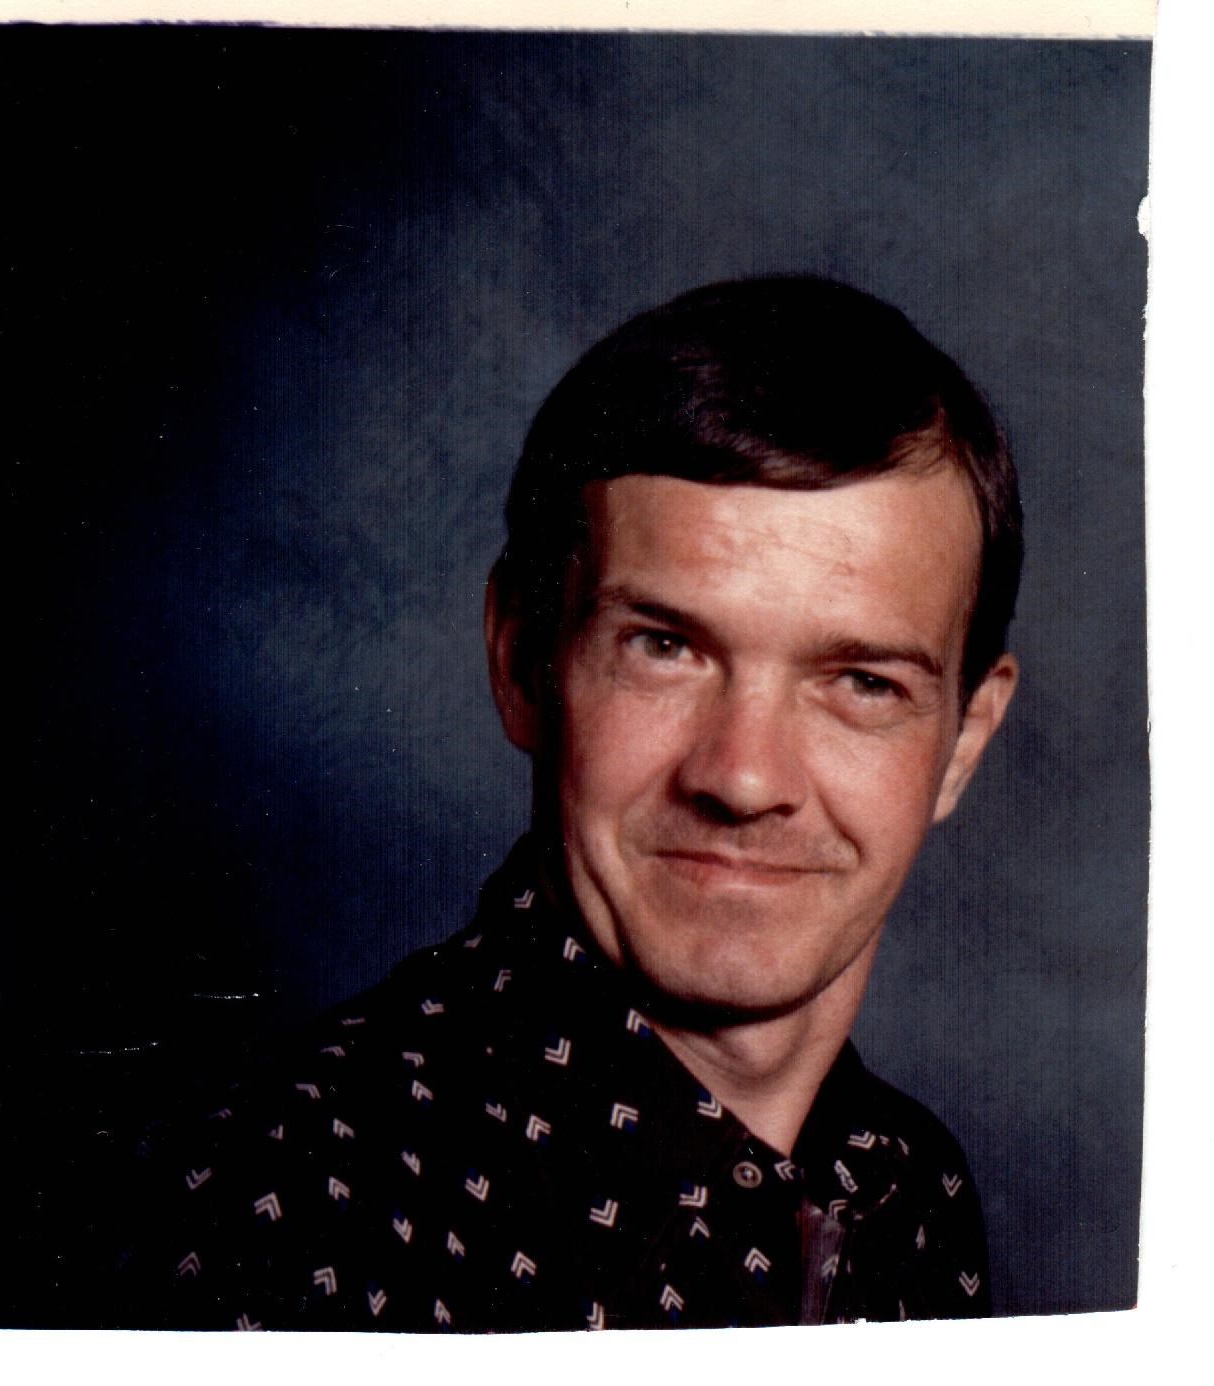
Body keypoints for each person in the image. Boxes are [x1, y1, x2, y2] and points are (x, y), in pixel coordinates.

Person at [117, 276, 1021, 1331]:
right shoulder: (287, 1212)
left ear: (962, 743)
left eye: (862, 682)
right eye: (664, 647)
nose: (744, 779)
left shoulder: (910, 1194)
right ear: (521, 662)